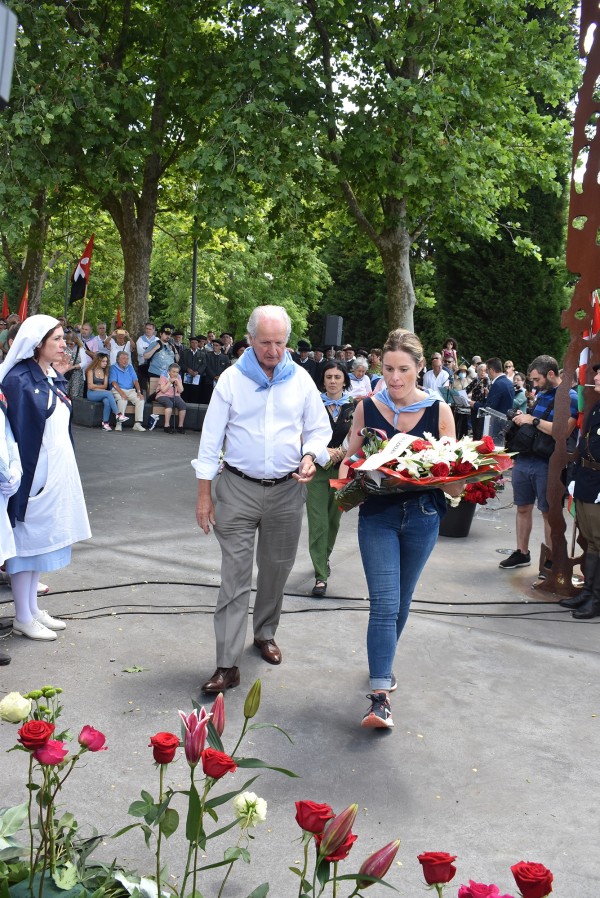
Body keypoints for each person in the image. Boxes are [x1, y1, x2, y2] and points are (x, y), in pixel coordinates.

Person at [194, 304, 331, 694]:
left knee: (275, 570)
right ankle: (226, 664)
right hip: (237, 489)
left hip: (287, 491)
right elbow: (209, 441)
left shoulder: (301, 379)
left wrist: (310, 455)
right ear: (250, 339)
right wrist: (204, 496)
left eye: (280, 342)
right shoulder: (231, 380)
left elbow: (318, 430)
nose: (273, 351)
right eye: (265, 342)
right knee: (234, 578)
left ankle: (265, 632)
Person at [340, 329, 458, 730]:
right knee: (385, 604)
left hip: (423, 516)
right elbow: (350, 457)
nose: (394, 377)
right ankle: (380, 697)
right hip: (378, 516)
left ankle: (383, 663)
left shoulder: (439, 411)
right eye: (388, 368)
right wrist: (346, 468)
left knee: (402, 601)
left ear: (419, 367)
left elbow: (453, 478)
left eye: (403, 369)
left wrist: (462, 475)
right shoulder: (367, 407)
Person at [0, 315, 91, 641]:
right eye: (57, 339)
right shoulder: (18, 379)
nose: (65, 344)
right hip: (31, 476)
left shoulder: (50, 374)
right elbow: (13, 434)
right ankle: (22, 617)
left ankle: (32, 609)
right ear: (38, 343)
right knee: (25, 546)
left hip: (53, 474)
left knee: (38, 544)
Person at [499, 355, 578, 572]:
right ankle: (522, 552)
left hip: (548, 463)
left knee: (548, 512)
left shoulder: (570, 397)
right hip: (526, 458)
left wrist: (532, 420)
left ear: (550, 374)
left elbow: (563, 431)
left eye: (536, 379)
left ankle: (552, 559)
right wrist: (523, 417)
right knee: (522, 507)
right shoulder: (543, 394)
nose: (534, 384)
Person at [306, 361, 354, 597]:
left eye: (337, 377)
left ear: (344, 380)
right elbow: (303, 433)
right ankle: (320, 576)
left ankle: (323, 558)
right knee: (318, 521)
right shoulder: (313, 404)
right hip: (316, 468)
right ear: (322, 380)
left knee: (333, 520)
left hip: (342, 470)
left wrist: (343, 452)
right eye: (328, 377)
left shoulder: (355, 407)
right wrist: (323, 451)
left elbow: (359, 436)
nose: (333, 381)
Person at [560, 363, 600, 619]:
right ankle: (587, 593)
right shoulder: (596, 407)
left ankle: (596, 599)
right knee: (592, 541)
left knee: (599, 541)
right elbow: (584, 443)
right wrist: (575, 477)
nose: (596, 376)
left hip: (599, 483)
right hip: (587, 479)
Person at [86, 354, 127, 431]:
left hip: (101, 393)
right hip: (91, 394)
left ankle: (105, 423)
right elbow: (90, 386)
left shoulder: (105, 372)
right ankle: (118, 414)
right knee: (108, 393)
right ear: (98, 361)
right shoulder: (91, 371)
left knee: (107, 401)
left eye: (106, 361)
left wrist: (96, 387)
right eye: (103, 361)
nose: (105, 363)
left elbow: (105, 386)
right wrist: (101, 389)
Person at [109, 351, 146, 432]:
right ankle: (119, 423)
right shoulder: (113, 367)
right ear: (118, 359)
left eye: (127, 359)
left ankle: (137, 424)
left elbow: (135, 380)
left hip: (130, 390)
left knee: (140, 400)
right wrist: (121, 393)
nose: (125, 361)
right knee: (122, 401)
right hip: (118, 390)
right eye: (123, 358)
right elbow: (113, 382)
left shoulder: (130, 367)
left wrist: (139, 392)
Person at [154, 363, 187, 433]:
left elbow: (181, 390)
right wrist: (170, 382)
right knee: (169, 404)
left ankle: (180, 426)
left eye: (177, 372)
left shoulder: (179, 377)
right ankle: (166, 426)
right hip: (162, 395)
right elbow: (163, 390)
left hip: (175, 395)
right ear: (169, 371)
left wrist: (178, 383)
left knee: (183, 405)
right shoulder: (163, 376)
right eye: (173, 372)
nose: (175, 374)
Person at [180, 335, 206, 403]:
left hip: (197, 376)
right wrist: (188, 369)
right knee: (185, 392)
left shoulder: (202, 354)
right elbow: (181, 363)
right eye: (192, 342)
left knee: (195, 392)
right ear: (190, 343)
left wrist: (197, 371)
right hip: (186, 376)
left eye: (196, 343)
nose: (194, 344)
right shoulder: (185, 353)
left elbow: (204, 364)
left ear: (198, 344)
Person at [136, 321, 156, 395]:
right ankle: (143, 400)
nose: (148, 330)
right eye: (147, 328)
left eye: (150, 329)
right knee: (143, 386)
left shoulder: (157, 340)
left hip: (154, 366)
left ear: (153, 330)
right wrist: (152, 350)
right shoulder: (140, 339)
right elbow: (140, 352)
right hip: (143, 366)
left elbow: (158, 353)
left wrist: (146, 349)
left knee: (153, 386)